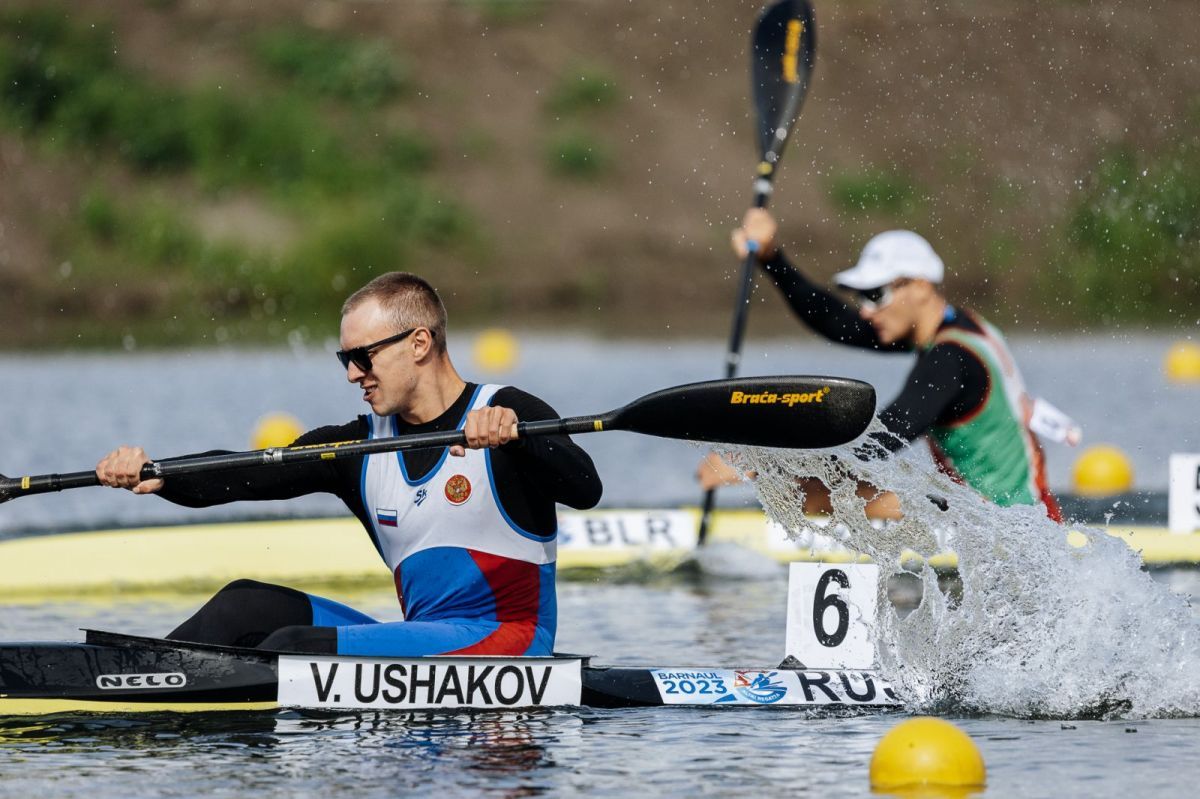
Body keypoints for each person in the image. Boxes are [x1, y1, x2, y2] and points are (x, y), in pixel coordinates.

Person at [96, 272, 603, 656]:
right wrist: (157, 471)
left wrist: (515, 440)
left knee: (294, 645)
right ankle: (136, 685)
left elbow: (586, 488)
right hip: (423, 641)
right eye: (345, 360)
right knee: (244, 605)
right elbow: (246, 472)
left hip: (509, 644)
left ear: (419, 343)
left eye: (363, 357)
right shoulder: (358, 448)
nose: (353, 374)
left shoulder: (507, 410)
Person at [698, 209, 1061, 522]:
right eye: (861, 297)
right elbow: (837, 322)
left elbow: (880, 439)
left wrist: (760, 466)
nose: (866, 309)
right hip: (1009, 516)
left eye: (876, 295)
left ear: (919, 286)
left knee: (815, 495)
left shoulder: (949, 360)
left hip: (1006, 534)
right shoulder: (960, 327)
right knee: (824, 489)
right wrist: (772, 258)